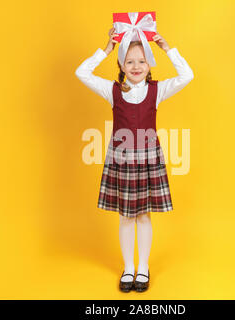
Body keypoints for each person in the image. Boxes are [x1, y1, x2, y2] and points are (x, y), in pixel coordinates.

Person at [75, 27, 194, 292]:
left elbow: (187, 75)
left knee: (143, 216)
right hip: (122, 159)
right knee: (126, 216)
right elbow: (81, 73)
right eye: (130, 61)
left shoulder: (158, 90)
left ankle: (143, 268)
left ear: (149, 63)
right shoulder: (112, 90)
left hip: (149, 158)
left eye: (141, 61)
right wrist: (106, 49)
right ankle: (128, 268)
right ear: (121, 65)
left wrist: (167, 48)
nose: (136, 66)